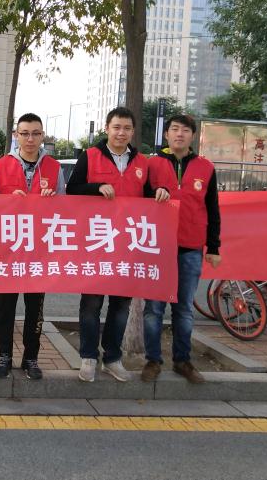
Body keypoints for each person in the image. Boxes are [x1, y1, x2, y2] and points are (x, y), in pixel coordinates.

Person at [66, 107, 169, 383]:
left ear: (133, 132)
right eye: (116, 127)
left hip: (128, 245)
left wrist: (161, 192)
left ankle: (112, 358)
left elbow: (150, 197)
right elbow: (72, 190)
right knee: (91, 303)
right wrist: (95, 187)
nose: (121, 133)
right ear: (107, 128)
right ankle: (88, 357)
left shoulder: (143, 162)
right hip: (96, 242)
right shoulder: (90, 156)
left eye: (126, 128)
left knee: (121, 305)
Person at [142, 114, 221, 384]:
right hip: (156, 248)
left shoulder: (205, 167)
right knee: (153, 309)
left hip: (191, 247)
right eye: (174, 129)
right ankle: (153, 360)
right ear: (166, 135)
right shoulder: (151, 164)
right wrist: (154, 195)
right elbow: (138, 201)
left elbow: (212, 208)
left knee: (184, 308)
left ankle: (182, 361)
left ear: (192, 136)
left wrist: (214, 246)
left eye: (185, 130)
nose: (179, 134)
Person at [0, 113, 66, 380]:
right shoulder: (2, 165)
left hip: (39, 252)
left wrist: (53, 200)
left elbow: (66, 208)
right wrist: (8, 200)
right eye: (24, 133)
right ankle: (4, 356)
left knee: (35, 310)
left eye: (35, 133)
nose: (30, 139)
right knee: (6, 309)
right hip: (8, 250)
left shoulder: (54, 167)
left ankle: (31, 357)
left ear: (42, 136)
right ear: (16, 135)